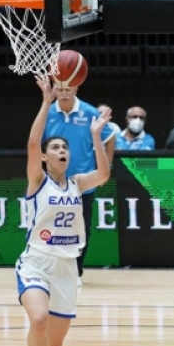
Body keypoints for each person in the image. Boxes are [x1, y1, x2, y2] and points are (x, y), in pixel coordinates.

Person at [18, 76, 111, 346]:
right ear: (45, 157)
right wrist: (46, 101)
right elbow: (31, 142)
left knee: (55, 345)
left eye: (65, 148)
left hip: (66, 268)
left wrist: (95, 136)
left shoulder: (77, 183)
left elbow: (103, 174)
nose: (62, 151)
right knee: (39, 320)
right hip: (37, 261)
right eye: (55, 147)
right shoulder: (37, 181)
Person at [44, 82, 114, 288]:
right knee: (50, 228)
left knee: (80, 230)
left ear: (76, 89)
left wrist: (107, 166)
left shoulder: (90, 112)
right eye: (60, 89)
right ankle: (50, 270)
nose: (64, 93)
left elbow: (109, 137)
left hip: (82, 183)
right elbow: (37, 143)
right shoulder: (47, 112)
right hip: (53, 183)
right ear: (54, 90)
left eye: (68, 89)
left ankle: (75, 270)